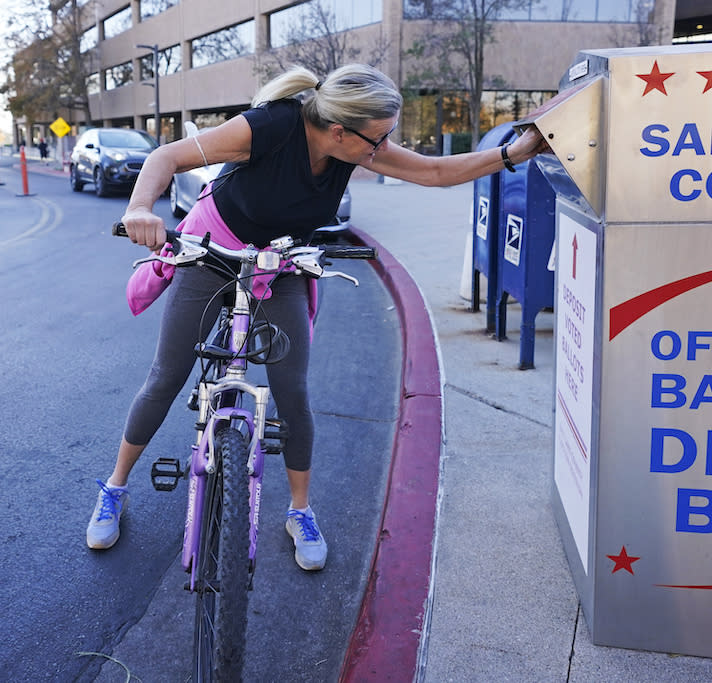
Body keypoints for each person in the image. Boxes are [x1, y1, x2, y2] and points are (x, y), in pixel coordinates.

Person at [86, 63, 547, 570]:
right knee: (167, 374)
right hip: (212, 247)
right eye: (377, 139)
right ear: (337, 130)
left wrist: (512, 153)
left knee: (293, 390)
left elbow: (434, 172)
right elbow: (168, 156)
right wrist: (139, 209)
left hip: (280, 262)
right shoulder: (271, 126)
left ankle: (299, 510)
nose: (383, 149)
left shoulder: (354, 144)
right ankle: (115, 487)